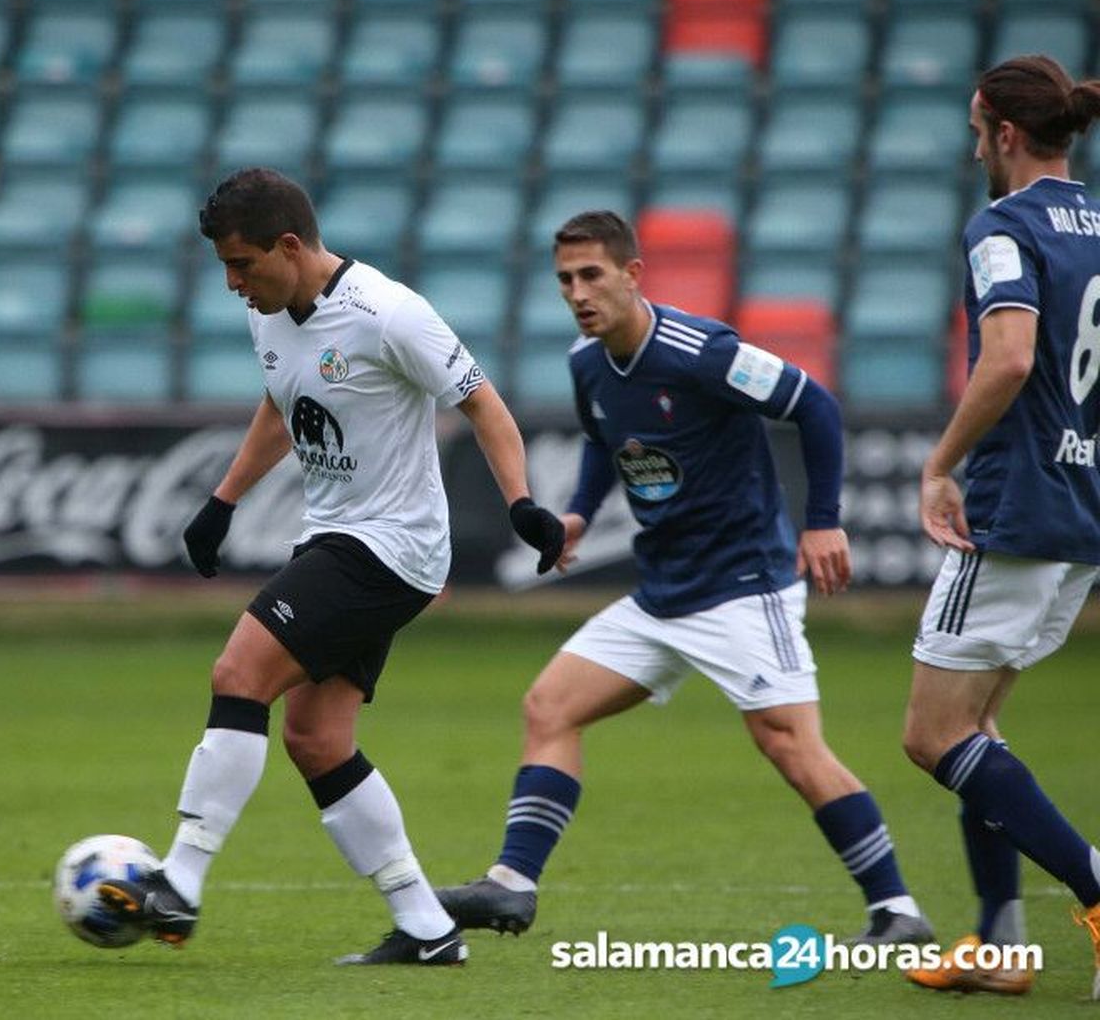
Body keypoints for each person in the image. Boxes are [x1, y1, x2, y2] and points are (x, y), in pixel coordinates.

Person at [97, 167, 566, 966]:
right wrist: (224, 498)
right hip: (337, 537)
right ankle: (427, 929)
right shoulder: (271, 313)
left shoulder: (390, 315)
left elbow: (483, 403)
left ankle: (179, 878)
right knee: (316, 737)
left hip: (391, 547)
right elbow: (284, 402)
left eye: (241, 264)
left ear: (289, 244)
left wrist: (523, 502)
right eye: (223, 267)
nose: (232, 283)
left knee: (238, 672)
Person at [436, 210, 932, 946]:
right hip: (663, 594)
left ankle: (897, 910)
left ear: (633, 275)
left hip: (743, 586)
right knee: (550, 706)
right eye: (566, 279)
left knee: (791, 745)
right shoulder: (588, 363)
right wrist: (576, 514)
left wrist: (822, 519)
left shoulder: (703, 352)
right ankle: (511, 885)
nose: (578, 292)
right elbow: (609, 442)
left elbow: (815, 406)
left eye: (592, 275)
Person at [899, 55, 1100, 999]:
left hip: (1016, 507)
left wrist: (941, 466)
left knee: (933, 736)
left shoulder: (1002, 226)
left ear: (1004, 134)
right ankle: (1000, 943)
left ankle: (1097, 890)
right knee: (980, 729)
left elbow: (1010, 355)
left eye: (977, 131)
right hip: (1081, 507)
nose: (975, 146)